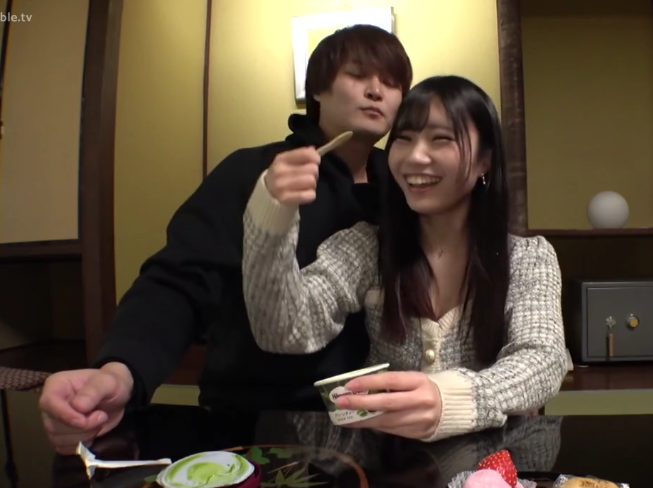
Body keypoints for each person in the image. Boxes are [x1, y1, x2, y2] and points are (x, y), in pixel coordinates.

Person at [38, 24, 413, 454]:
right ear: (317, 90)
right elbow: (179, 280)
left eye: (391, 82)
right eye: (357, 75)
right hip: (251, 422)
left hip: (376, 424)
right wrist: (120, 371)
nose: (376, 91)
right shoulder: (252, 173)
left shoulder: (405, 189)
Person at [242, 75, 572, 442]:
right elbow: (284, 329)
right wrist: (270, 214)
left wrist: (451, 399)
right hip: (386, 464)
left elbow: (542, 359)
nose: (415, 156)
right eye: (404, 138)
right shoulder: (367, 246)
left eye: (441, 139)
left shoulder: (527, 258)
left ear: (485, 161)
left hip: (494, 466)